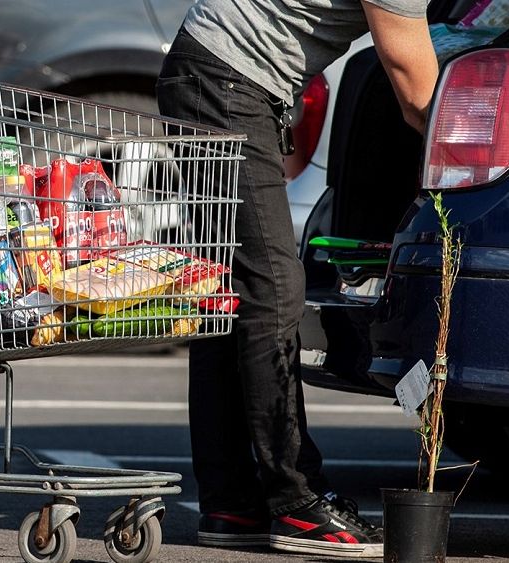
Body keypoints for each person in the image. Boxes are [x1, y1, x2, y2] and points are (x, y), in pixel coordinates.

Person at [157, 0, 437, 558]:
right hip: (226, 82)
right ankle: (296, 499)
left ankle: (232, 502)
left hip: (210, 70)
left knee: (230, 291)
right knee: (274, 290)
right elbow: (417, 94)